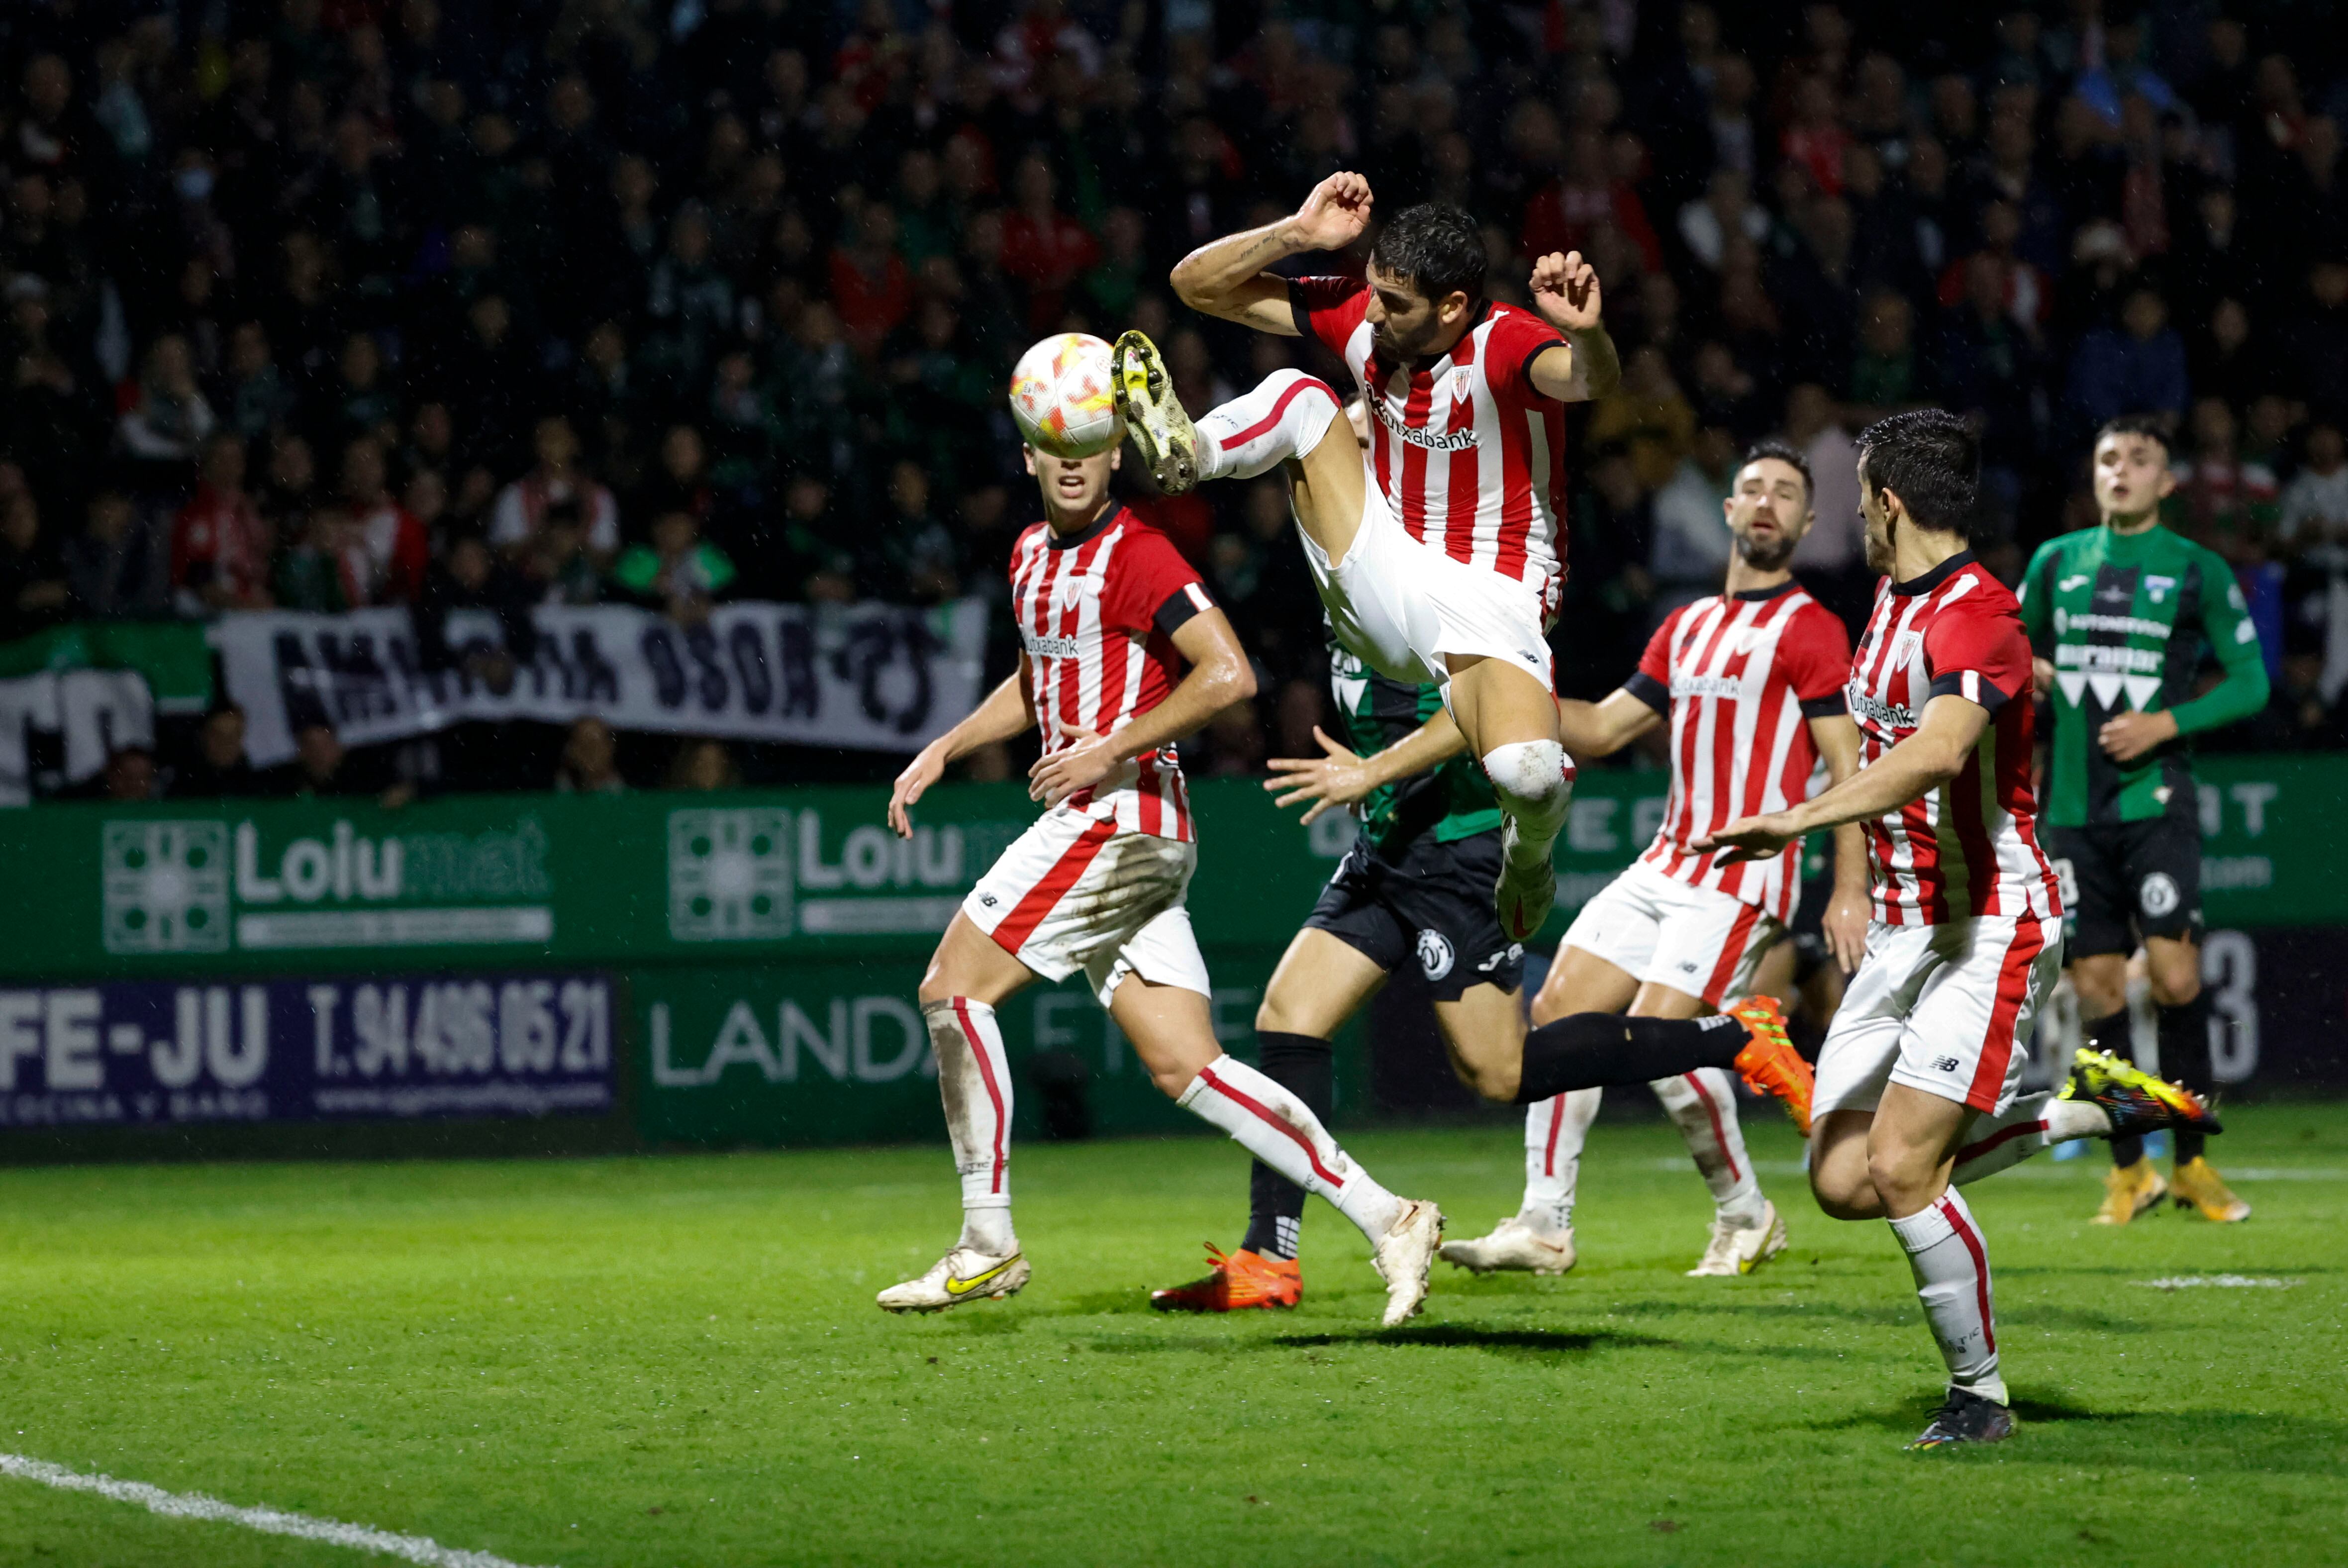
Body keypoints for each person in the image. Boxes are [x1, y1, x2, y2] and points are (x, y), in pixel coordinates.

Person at [1680, 410, 2222, 1448]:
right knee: (1843, 1182)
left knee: (1899, 1169)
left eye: (1857, 499)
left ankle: (1978, 1396)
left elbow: (1933, 755)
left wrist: (1793, 819)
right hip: (1899, 931)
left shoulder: (1979, 616)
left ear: (1886, 502)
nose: (1851, 516)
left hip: (1987, 924)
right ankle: (2081, 1105)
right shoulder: (1887, 598)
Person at [882, 357, 1442, 1324]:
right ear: (1028, 455)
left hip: (1119, 818)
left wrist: (1109, 745)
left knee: (950, 988)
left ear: (1116, 453)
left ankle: (986, 1240)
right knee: (1188, 1067)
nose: (1072, 463)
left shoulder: (1137, 555)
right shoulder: (1028, 557)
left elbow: (1226, 675)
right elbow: (1037, 680)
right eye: (1055, 446)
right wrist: (946, 746)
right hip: (1117, 829)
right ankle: (1388, 1215)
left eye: (1091, 445)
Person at [1440, 439, 1870, 1282]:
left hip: (1745, 878)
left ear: (1809, 522)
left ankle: (1747, 1215)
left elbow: (1849, 769)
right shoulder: (1687, 626)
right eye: (1753, 490)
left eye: (1787, 494)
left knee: (1668, 1052)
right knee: (1559, 1024)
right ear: (1728, 510)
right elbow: (1601, 728)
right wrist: (1497, 697)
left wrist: (1848, 887)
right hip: (1663, 864)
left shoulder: (1812, 628)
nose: (1768, 504)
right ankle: (1544, 1225)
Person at [1156, 175, 1621, 944]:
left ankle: (1529, 858)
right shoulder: (1365, 318)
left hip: (1496, 596)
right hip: (1387, 566)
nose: (1371, 310)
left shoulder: (1505, 342)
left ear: (1453, 308)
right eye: (1372, 290)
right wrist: (1296, 233)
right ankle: (1191, 450)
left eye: (1393, 303)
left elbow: (1585, 379)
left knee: (1529, 776)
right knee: (1305, 397)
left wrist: (1591, 333)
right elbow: (1194, 287)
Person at [1152, 401, 1532, 1314]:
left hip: (1453, 846)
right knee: (1289, 1017)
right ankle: (1269, 1258)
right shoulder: (1344, 562)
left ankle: (1725, 1040)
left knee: (1500, 1074)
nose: (1329, 460)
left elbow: (1484, 702)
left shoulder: (1429, 566)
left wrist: (1376, 770)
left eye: (1354, 441)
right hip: (1387, 843)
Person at [2019, 416, 2269, 1225]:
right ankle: (2131, 1171)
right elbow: (2010, 656)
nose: (2120, 471)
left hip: (2157, 801)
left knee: (2175, 977)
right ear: (2093, 476)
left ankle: (2193, 1161)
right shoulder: (2055, 563)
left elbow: (2250, 681)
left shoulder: (2196, 571)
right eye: (2107, 459)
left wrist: (2166, 725)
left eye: (2139, 460)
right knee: (2095, 989)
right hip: (2070, 808)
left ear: (2167, 482)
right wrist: (2035, 668)